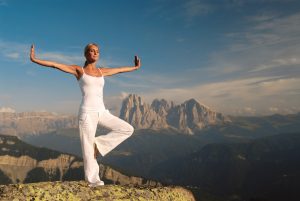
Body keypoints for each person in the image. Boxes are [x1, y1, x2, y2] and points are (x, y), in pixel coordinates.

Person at [30, 43, 141, 187]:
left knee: (127, 129)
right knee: (87, 149)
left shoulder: (102, 72)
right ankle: (93, 181)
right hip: (87, 113)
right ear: (86, 54)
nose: (95, 53)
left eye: (97, 51)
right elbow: (54, 65)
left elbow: (119, 70)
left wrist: (135, 68)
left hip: (102, 111)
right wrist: (35, 59)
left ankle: (99, 145)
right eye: (91, 51)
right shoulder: (79, 70)